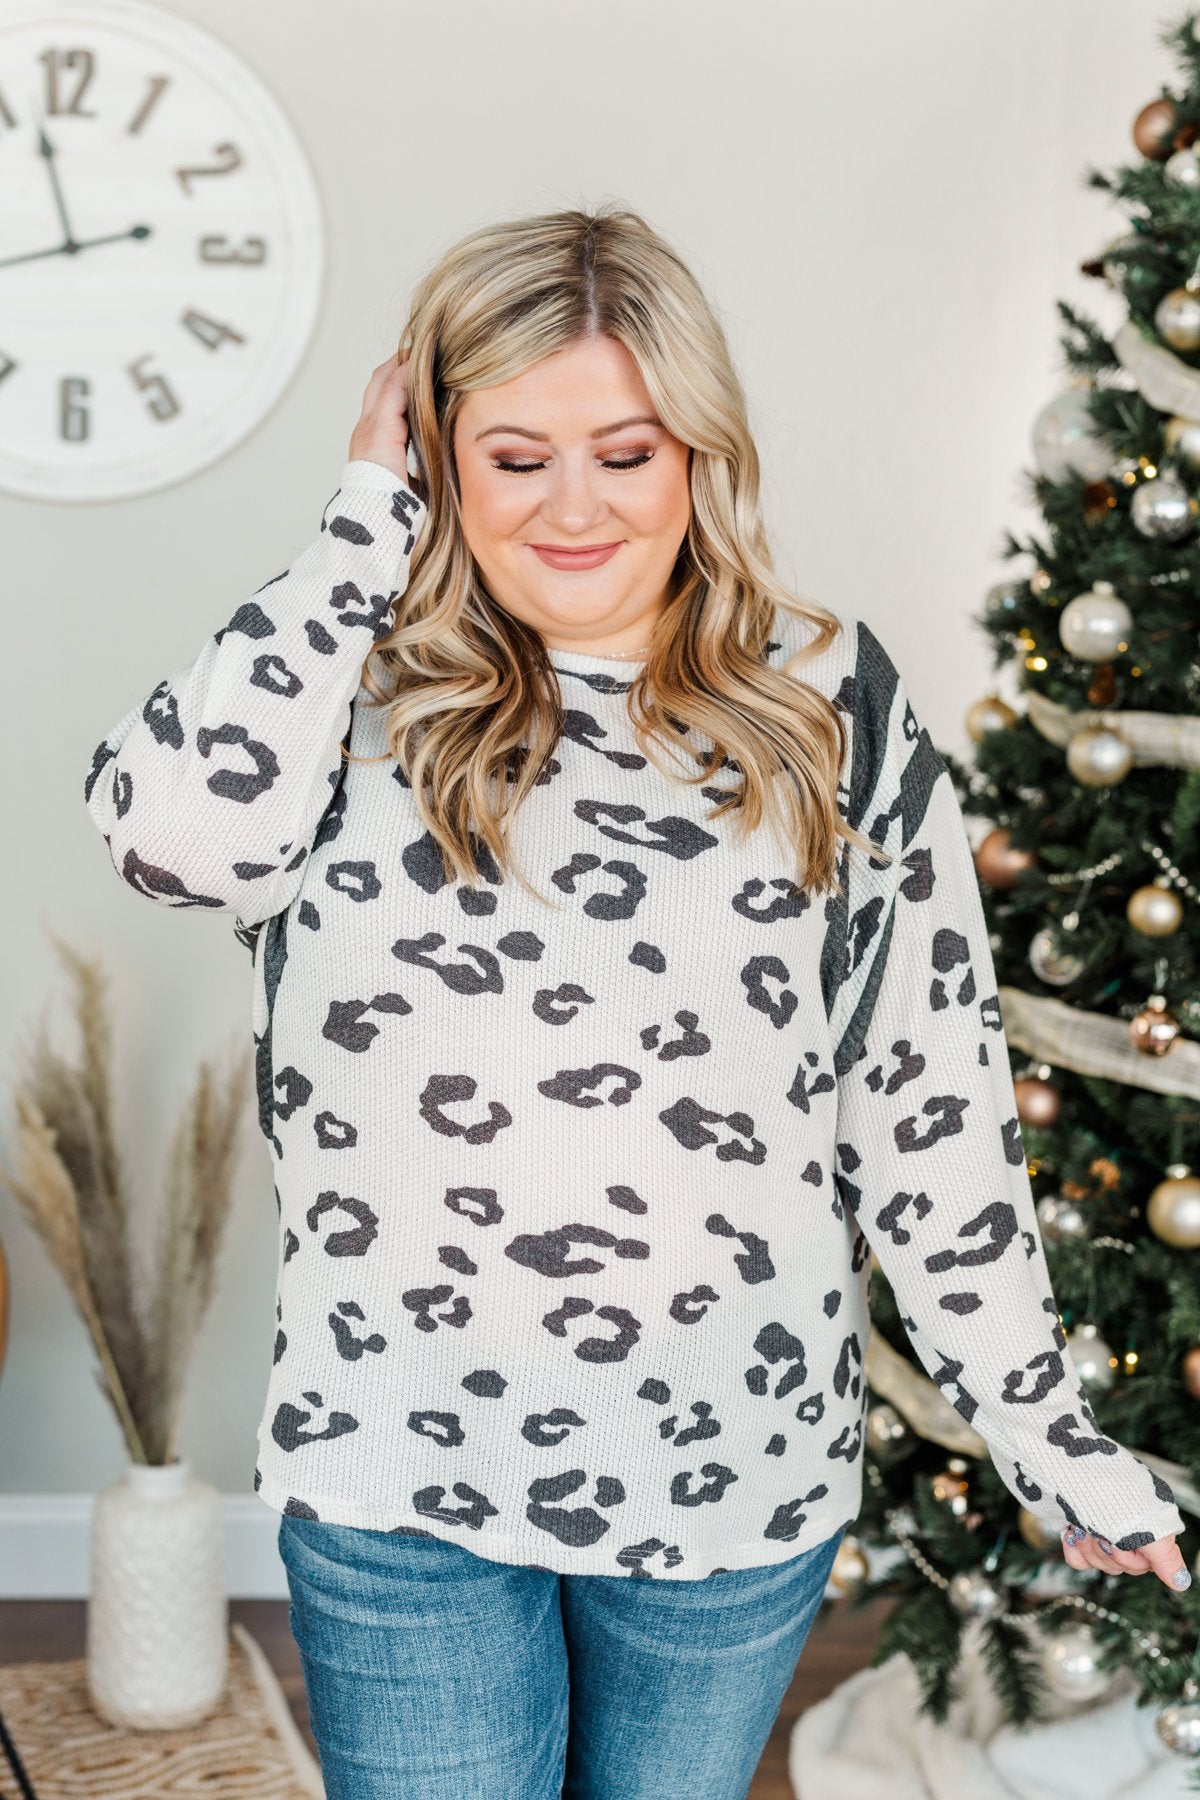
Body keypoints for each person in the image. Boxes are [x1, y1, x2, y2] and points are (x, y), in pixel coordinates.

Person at [83, 204, 1189, 1800]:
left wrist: (1047, 1434)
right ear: (435, 455)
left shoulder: (831, 703)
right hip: (401, 1469)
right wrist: (356, 531)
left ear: (698, 453)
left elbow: (925, 1103)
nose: (575, 504)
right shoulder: (340, 691)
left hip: (730, 1473)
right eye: (515, 454)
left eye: (626, 450)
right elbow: (169, 842)